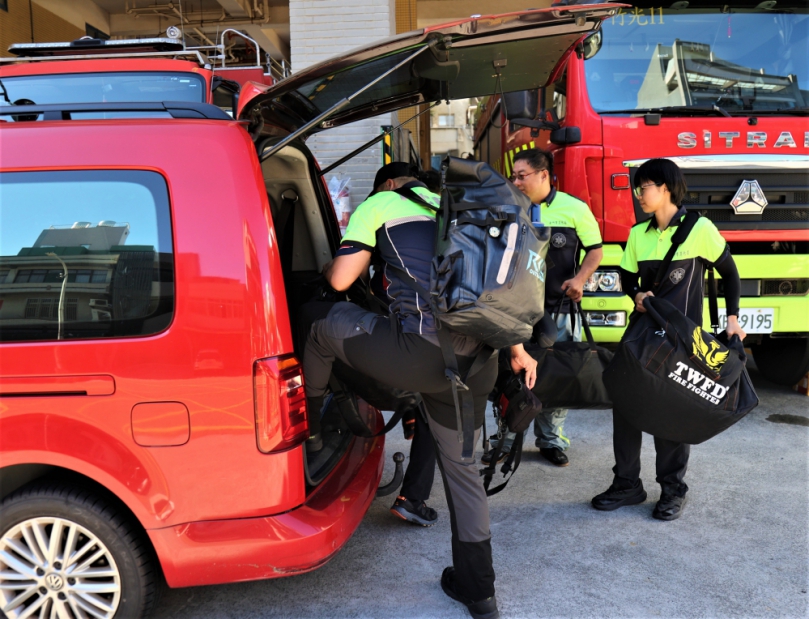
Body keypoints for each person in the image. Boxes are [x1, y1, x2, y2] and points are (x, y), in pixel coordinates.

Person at [302, 161, 536, 619]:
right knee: (464, 472)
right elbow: (494, 288)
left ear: (388, 183)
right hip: (478, 361)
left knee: (319, 326)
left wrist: (333, 265)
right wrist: (518, 349)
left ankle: (310, 430)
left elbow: (341, 280)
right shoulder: (460, 207)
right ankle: (479, 594)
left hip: (418, 355)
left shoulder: (380, 204)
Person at [591, 158, 745, 521]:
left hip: (683, 342)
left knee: (672, 410)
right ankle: (627, 483)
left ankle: (673, 489)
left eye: (643, 187)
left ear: (665, 188)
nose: (638, 194)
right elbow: (627, 277)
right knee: (625, 403)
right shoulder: (637, 234)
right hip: (642, 337)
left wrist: (732, 320)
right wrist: (636, 294)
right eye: (638, 187)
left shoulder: (699, 229)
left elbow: (730, 273)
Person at [502, 148, 603, 467]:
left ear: (543, 174)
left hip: (559, 309)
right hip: (516, 312)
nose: (516, 182)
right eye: (514, 176)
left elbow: (595, 250)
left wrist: (580, 279)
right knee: (511, 376)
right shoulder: (508, 208)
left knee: (557, 376)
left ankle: (551, 440)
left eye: (522, 176)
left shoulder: (575, 209)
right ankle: (506, 440)